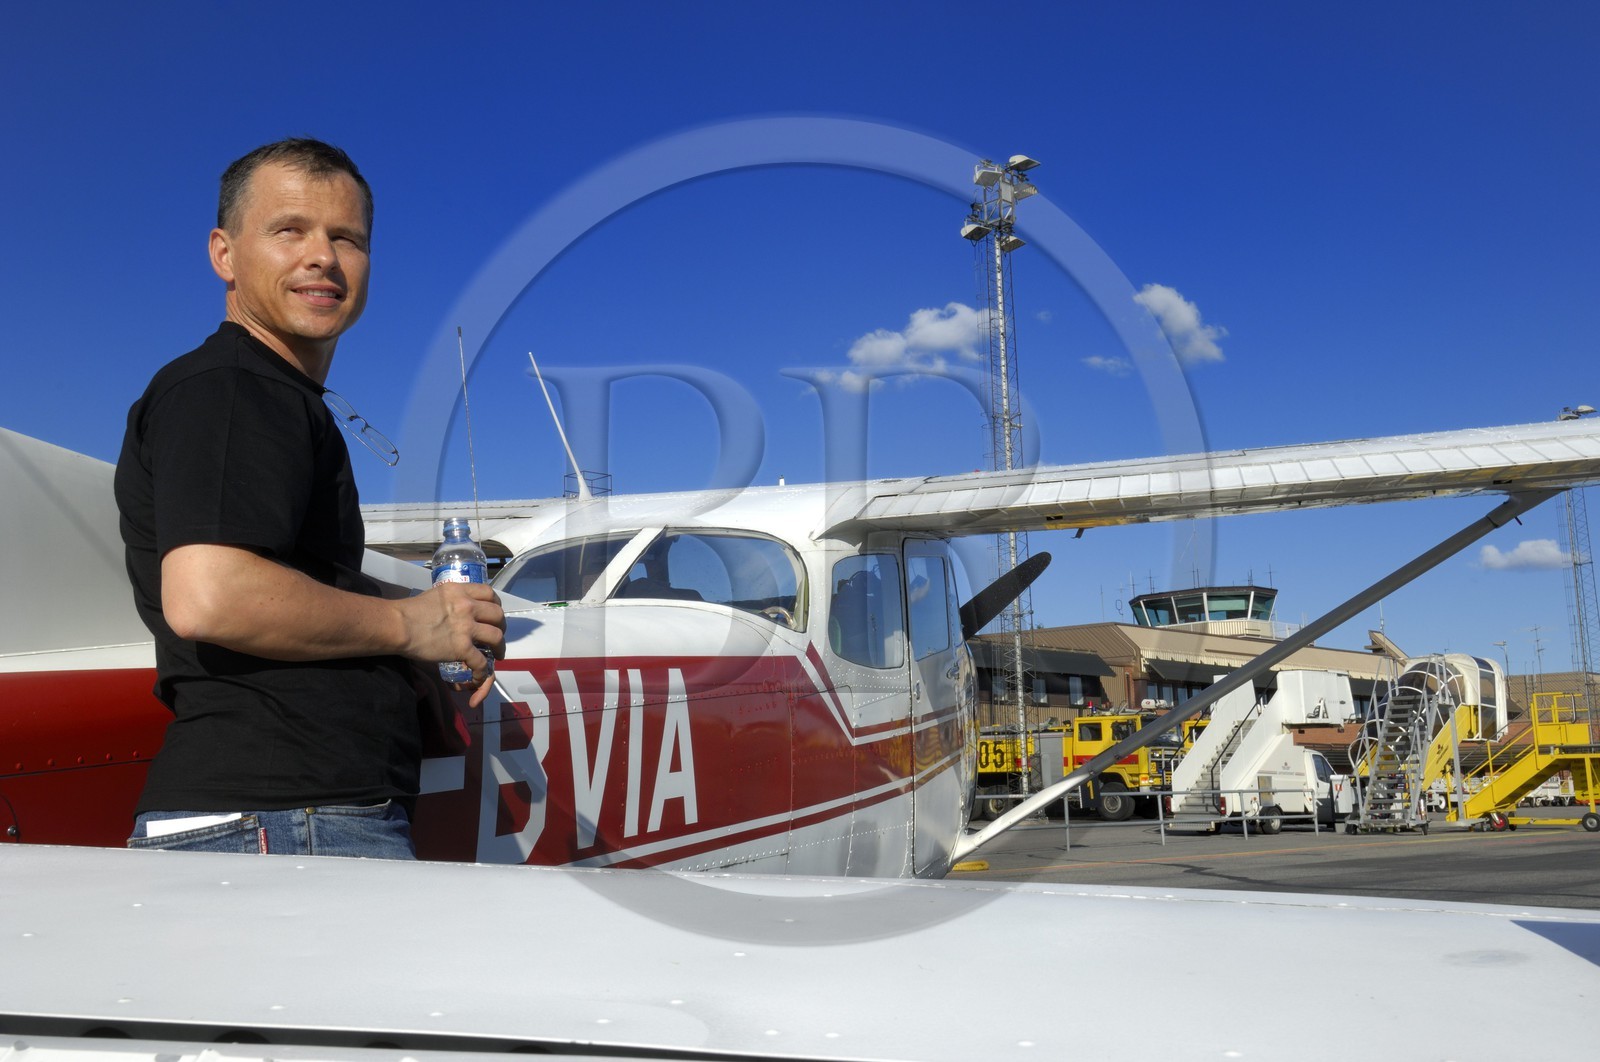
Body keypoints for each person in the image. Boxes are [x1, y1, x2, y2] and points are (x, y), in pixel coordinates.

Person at [114, 138, 504, 858]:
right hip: (286, 820)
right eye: (289, 230)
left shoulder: (272, 396)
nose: (322, 256)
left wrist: (431, 614)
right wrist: (410, 627)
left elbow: (287, 577)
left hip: (290, 819)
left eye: (346, 238)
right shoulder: (232, 387)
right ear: (225, 254)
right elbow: (210, 595)